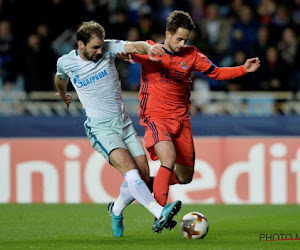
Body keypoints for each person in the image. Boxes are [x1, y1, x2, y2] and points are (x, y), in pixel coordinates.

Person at [54, 21, 181, 237]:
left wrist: (149, 48)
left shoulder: (109, 48)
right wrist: (64, 94)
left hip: (124, 123)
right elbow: (60, 78)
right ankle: (160, 213)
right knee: (131, 173)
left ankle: (116, 209)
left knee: (143, 175)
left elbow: (134, 46)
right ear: (80, 45)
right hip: (101, 128)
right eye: (95, 47)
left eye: (101, 46)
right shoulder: (66, 62)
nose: (100, 51)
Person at [132, 10, 260, 207]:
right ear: (168, 34)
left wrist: (243, 69)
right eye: (179, 39)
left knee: (185, 177)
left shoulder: (191, 55)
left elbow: (217, 73)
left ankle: (152, 183)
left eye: (186, 39)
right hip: (155, 117)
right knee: (168, 159)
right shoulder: (151, 51)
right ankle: (158, 212)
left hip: (181, 120)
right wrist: (125, 53)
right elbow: (125, 49)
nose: (183, 44)